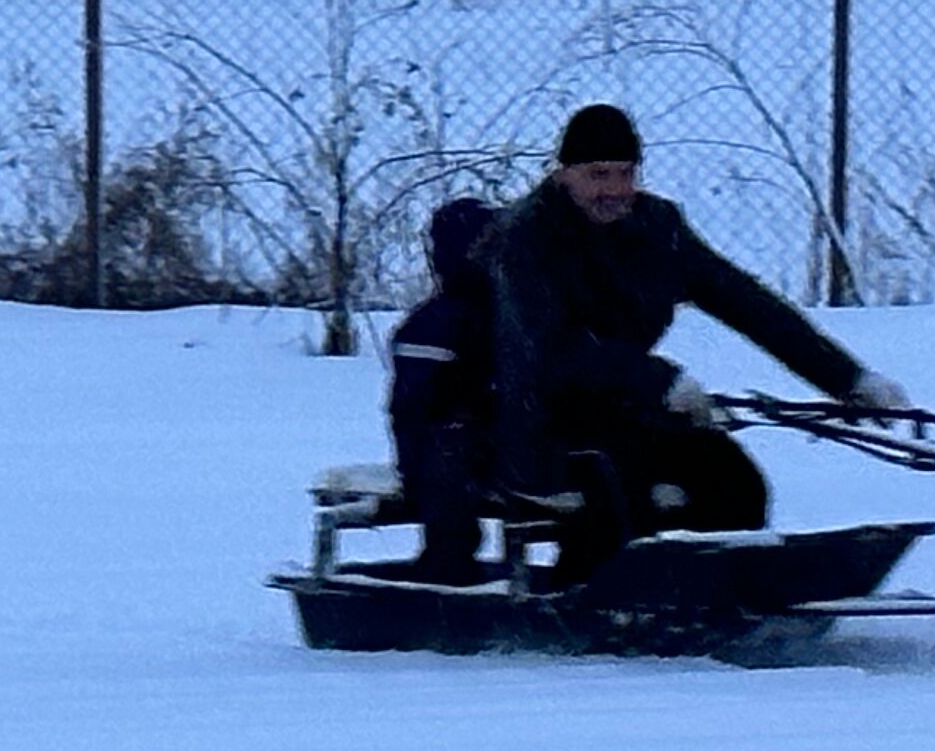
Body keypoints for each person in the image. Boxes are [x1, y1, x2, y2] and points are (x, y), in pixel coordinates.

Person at [486, 103, 908, 569]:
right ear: (564, 175)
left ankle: (723, 590)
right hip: (542, 423)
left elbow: (748, 304)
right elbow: (550, 349)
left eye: (626, 174)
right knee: (622, 490)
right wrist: (657, 381)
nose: (615, 190)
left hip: (628, 413)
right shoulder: (525, 240)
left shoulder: (656, 228)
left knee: (734, 481)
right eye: (598, 175)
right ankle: (606, 603)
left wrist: (848, 379)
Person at [386, 195, 504, 581]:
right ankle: (446, 564)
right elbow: (415, 408)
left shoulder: (516, 313)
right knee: (447, 453)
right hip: (448, 445)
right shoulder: (437, 323)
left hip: (510, 439)